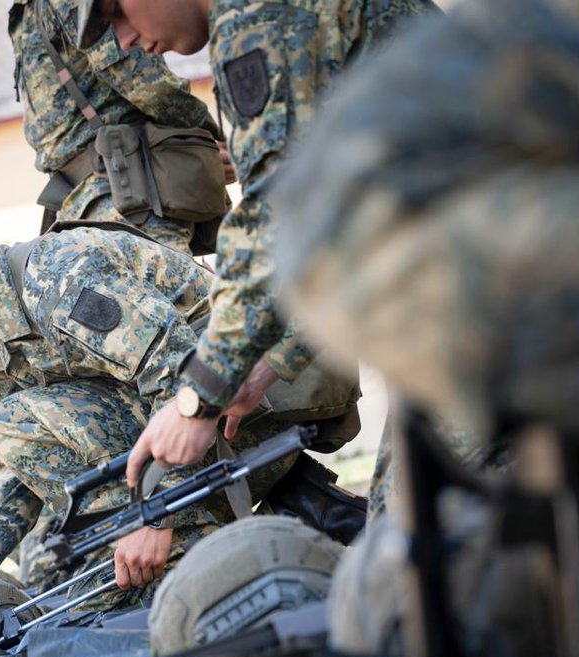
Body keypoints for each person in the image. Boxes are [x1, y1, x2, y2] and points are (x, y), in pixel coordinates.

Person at [265, 0, 579, 657]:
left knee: (406, 562)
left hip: (402, 229)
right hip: (416, 224)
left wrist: (207, 390)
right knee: (401, 567)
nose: (126, 38)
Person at [0, 193, 309, 630]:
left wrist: (155, 516)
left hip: (259, 402)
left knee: (13, 421)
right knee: (78, 595)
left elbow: (184, 375)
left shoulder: (56, 280)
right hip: (203, 438)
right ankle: (215, 536)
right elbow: (18, 464)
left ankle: (191, 547)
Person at [74, 0, 433, 488]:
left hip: (500, 273)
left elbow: (273, 219)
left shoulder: (256, 18)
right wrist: (264, 368)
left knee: (435, 532)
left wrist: (198, 399)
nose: (124, 40)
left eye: (117, 13)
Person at [10, 0, 233, 253]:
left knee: (166, 288)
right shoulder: (25, 9)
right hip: (87, 201)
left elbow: (143, 78)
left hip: (127, 192)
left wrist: (206, 141)